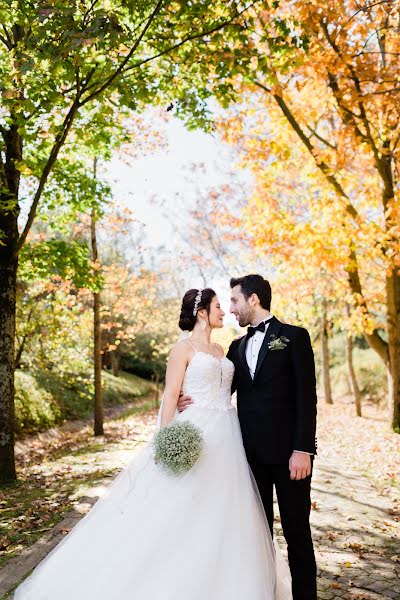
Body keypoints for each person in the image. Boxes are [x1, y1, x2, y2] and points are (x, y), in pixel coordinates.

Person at [13, 287, 292, 600]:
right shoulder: (183, 349)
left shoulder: (221, 350)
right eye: (217, 306)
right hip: (196, 429)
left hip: (227, 433)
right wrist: (165, 437)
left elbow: (228, 387)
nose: (224, 311)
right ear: (202, 312)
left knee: (225, 506)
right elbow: (171, 394)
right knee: (184, 503)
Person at [179, 275, 318, 600]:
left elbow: (307, 397)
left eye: (235, 301)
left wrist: (303, 449)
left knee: (297, 535)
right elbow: (219, 388)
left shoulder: (294, 337)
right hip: (248, 458)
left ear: (253, 300)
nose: (231, 309)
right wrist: (187, 398)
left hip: (289, 458)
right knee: (257, 536)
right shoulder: (236, 347)